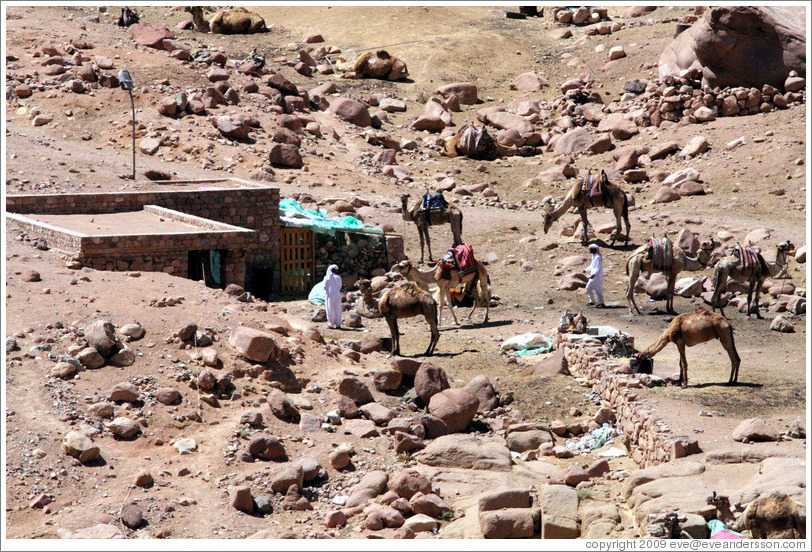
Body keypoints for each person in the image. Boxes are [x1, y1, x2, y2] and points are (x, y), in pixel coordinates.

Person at [323, 264, 343, 329]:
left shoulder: (327, 278)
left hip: (329, 295)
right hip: (337, 295)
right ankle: (338, 324)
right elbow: (339, 286)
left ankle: (330, 324)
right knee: (337, 308)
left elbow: (324, 287)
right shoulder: (338, 277)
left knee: (330, 308)